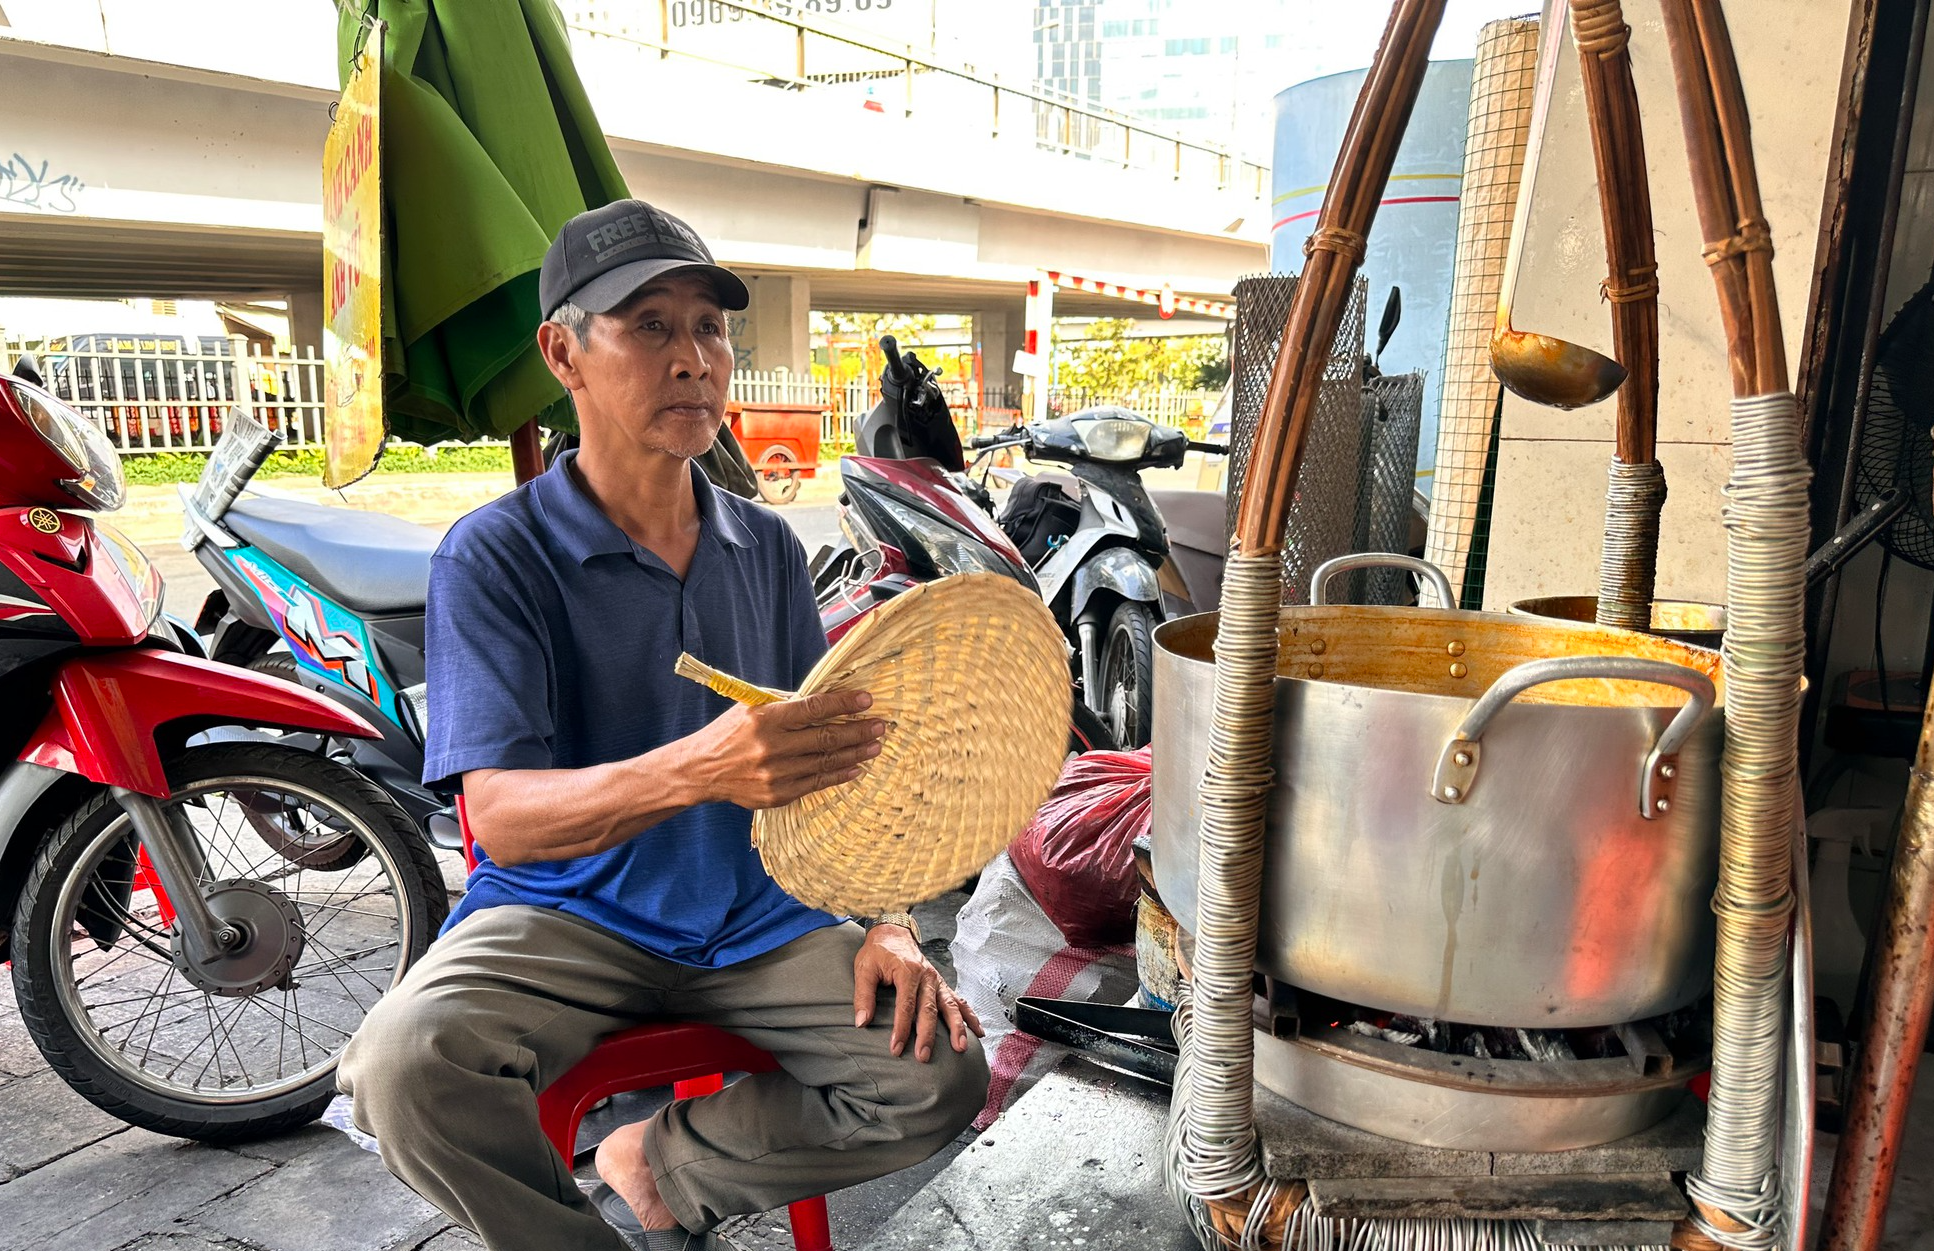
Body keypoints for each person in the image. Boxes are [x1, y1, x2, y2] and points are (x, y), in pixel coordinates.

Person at [339, 199, 989, 1251]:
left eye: (709, 327)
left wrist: (888, 922)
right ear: (564, 353)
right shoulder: (495, 555)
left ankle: (660, 1161)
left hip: (756, 915)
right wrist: (701, 767)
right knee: (401, 1068)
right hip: (563, 917)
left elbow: (831, 772)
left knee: (943, 1071)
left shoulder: (767, 549)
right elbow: (500, 823)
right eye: (648, 326)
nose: (693, 359)